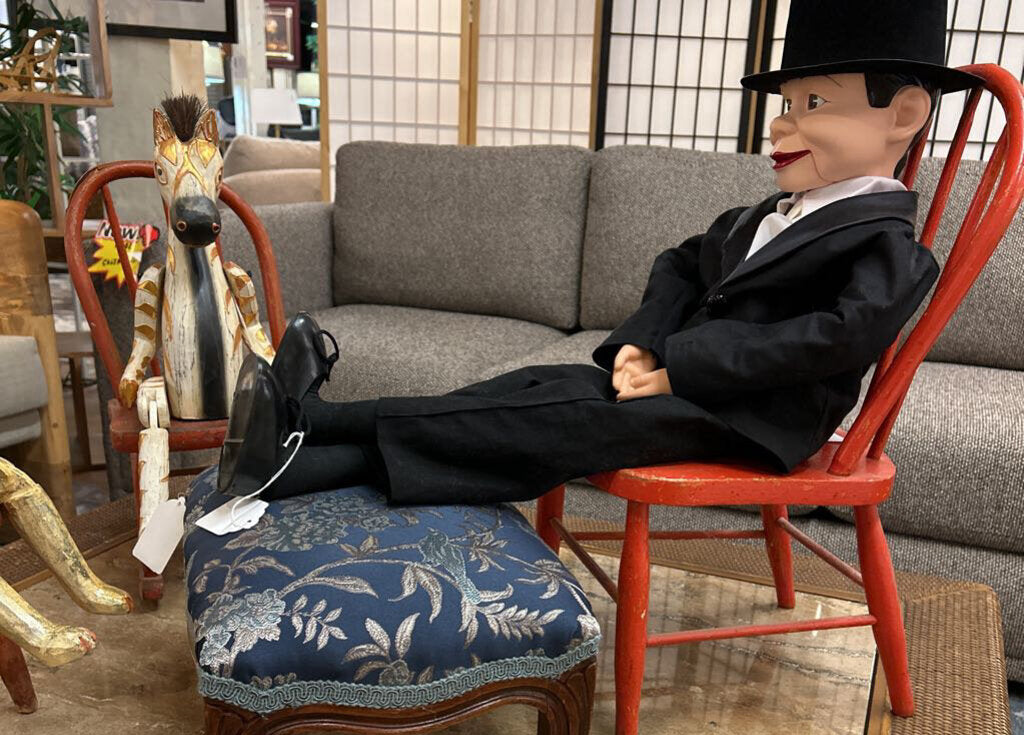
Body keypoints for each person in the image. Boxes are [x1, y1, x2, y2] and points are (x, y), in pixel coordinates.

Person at [216, 0, 976, 508]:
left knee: (561, 414)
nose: (780, 127)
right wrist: (641, 343)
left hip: (755, 420)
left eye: (814, 105)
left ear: (903, 114)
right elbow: (680, 266)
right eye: (785, 105)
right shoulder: (764, 214)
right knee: (533, 383)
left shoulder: (889, 249)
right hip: (685, 386)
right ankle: (309, 448)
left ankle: (316, 429)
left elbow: (826, 340)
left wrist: (683, 365)